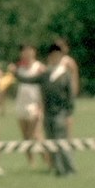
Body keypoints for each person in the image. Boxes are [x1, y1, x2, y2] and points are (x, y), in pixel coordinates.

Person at [14, 43, 77, 177]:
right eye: (52, 56)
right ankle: (58, 168)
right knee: (51, 142)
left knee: (62, 141)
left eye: (57, 56)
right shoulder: (45, 74)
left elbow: (70, 96)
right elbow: (28, 80)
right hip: (48, 113)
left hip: (60, 113)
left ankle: (69, 168)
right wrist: (15, 73)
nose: (54, 58)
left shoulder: (64, 74)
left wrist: (69, 113)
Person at [12, 43, 46, 168]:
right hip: (21, 105)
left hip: (34, 105)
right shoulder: (18, 68)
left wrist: (41, 106)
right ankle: (31, 163)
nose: (26, 53)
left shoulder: (39, 68)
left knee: (36, 135)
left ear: (34, 52)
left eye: (29, 50)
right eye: (24, 51)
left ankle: (47, 159)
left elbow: (44, 88)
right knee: (26, 136)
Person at [54, 37, 80, 137]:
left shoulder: (68, 62)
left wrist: (73, 93)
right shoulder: (53, 61)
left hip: (65, 95)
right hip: (55, 95)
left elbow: (74, 78)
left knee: (67, 117)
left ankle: (68, 138)